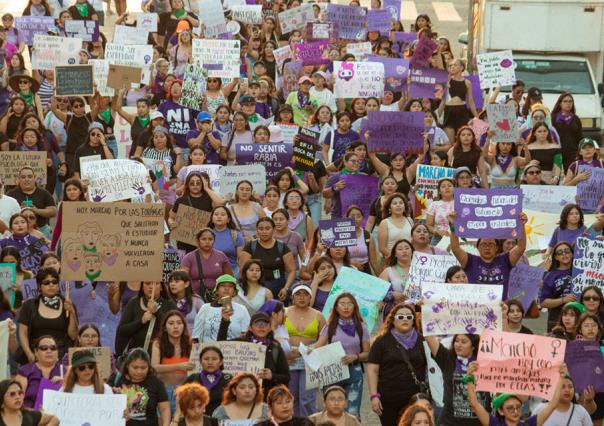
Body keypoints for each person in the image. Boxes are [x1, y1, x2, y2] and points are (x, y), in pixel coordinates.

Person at [367, 303, 427, 426]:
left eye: (409, 317)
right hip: (388, 398)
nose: (405, 319)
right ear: (392, 320)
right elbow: (372, 370)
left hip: (415, 398)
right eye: (400, 317)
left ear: (413, 320)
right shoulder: (381, 341)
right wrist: (374, 396)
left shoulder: (423, 341)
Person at [314, 293, 370, 418]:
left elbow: (367, 353)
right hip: (333, 372)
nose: (346, 307)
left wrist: (355, 357)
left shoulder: (362, 327)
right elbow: (317, 347)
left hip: (354, 371)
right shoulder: (329, 326)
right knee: (333, 411)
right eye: (342, 304)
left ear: (354, 307)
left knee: (353, 412)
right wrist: (303, 350)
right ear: (336, 307)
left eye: (349, 304)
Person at [448, 212, 528, 298]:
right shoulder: (470, 261)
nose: (487, 247)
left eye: (491, 244)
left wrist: (521, 225)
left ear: (497, 248)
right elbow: (455, 248)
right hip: (476, 308)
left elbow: (521, 247)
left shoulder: (505, 260)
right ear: (477, 247)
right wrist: (453, 226)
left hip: (501, 307)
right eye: (483, 244)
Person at [466, 361, 566, 426]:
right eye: (510, 408)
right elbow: (474, 404)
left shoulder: (530, 424)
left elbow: (552, 405)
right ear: (501, 411)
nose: (515, 411)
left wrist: (561, 378)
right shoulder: (493, 423)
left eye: (518, 406)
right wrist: (469, 376)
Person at [219, 311, 290, 396]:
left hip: (265, 398)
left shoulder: (275, 348)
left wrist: (272, 376)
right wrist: (225, 321)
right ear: (250, 328)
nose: (261, 327)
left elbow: (286, 377)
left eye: (265, 324)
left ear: (270, 328)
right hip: (240, 396)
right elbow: (221, 345)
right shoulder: (240, 343)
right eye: (257, 324)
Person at [424, 333, 485, 426]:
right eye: (456, 341)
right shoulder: (448, 358)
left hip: (478, 421)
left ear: (473, 346)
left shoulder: (485, 362)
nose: (458, 345)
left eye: (464, 342)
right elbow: (429, 337)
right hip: (450, 420)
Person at [18, 268, 78, 360]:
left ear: (58, 285)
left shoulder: (68, 304)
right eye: (46, 282)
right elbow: (23, 333)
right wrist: (29, 354)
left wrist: (72, 312)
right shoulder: (29, 305)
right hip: (36, 356)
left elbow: (73, 335)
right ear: (39, 286)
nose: (51, 285)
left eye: (54, 282)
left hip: (60, 356)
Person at [284, 284, 325, 417]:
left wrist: (314, 348)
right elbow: (274, 332)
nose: (302, 297)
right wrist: (284, 354)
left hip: (310, 359)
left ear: (310, 297)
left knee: (308, 398)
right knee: (291, 395)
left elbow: (325, 337)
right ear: (292, 297)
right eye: (298, 294)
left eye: (305, 294)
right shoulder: (284, 312)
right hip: (290, 358)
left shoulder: (318, 315)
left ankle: (309, 423)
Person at [240, 217, 296, 301]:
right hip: (256, 286)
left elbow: (292, 270)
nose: (264, 231)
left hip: (278, 287)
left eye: (267, 228)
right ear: (257, 230)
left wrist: (286, 288)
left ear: (273, 229)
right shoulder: (250, 246)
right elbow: (243, 269)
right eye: (261, 229)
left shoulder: (281, 246)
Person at [115, 281, 177, 356]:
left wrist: (156, 312)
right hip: (135, 357)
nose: (151, 287)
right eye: (147, 283)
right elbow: (122, 331)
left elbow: (173, 329)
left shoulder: (170, 304)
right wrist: (141, 321)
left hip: (160, 355)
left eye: (155, 284)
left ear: (161, 287)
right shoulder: (134, 303)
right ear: (142, 286)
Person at [112, 348, 171, 426]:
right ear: (127, 366)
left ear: (149, 367)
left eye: (143, 368)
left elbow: (164, 409)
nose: (139, 371)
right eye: (135, 367)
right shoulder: (119, 381)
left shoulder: (156, 383)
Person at [151, 310, 194, 413]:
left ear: (184, 326)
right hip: (164, 390)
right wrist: (179, 366)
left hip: (185, 390)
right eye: (171, 323)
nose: (175, 326)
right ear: (165, 328)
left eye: (179, 323)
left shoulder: (191, 343)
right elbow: (154, 368)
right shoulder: (158, 343)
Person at [169, 172, 224, 253]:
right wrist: (172, 223)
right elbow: (171, 218)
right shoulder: (181, 200)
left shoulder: (209, 199)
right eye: (192, 183)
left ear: (202, 184)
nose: (195, 185)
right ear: (187, 185)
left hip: (206, 242)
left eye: (198, 183)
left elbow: (221, 204)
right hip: (184, 243)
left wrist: (206, 188)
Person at [192, 274, 250, 343]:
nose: (227, 288)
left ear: (234, 292)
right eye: (223, 286)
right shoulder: (205, 308)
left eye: (230, 286)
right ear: (216, 290)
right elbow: (195, 336)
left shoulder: (242, 309)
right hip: (209, 351)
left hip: (233, 351)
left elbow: (246, 335)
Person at [180, 228, 232, 299]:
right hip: (195, 297)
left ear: (214, 241)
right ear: (198, 241)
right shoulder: (188, 257)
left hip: (218, 297)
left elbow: (229, 278)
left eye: (210, 239)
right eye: (204, 239)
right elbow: (183, 278)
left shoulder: (221, 256)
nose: (207, 242)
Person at [6, 166, 56, 238]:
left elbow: (53, 211)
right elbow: (5, 212)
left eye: (30, 177)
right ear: (18, 179)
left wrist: (36, 210)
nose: (26, 179)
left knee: (43, 248)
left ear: (34, 178)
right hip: (18, 232)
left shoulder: (44, 193)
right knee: (21, 249)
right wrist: (19, 210)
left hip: (41, 231)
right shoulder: (11, 194)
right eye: (23, 177)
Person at [15, 335, 63, 409]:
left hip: (59, 416)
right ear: (36, 352)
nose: (49, 351)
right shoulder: (25, 371)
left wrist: (65, 383)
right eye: (44, 348)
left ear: (57, 352)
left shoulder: (66, 371)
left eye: (53, 348)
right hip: (30, 416)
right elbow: (16, 399)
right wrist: (35, 414)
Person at [183, 346, 232, 416]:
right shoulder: (193, 379)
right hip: (196, 420)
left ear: (221, 361)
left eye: (214, 359)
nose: (210, 362)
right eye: (206, 359)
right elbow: (182, 401)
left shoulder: (228, 379)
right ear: (200, 361)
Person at [541, 242, 574, 331]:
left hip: (580, 318)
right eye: (560, 252)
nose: (564, 254)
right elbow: (543, 302)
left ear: (572, 253)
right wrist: (563, 300)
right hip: (557, 319)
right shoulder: (550, 275)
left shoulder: (583, 270)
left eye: (567, 251)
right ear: (555, 257)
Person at [377, 194, 413, 260]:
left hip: (409, 260)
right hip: (391, 260)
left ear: (405, 206)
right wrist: (397, 258)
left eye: (401, 203)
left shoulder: (410, 220)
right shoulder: (384, 223)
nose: (398, 205)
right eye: (394, 203)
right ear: (389, 208)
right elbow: (382, 248)